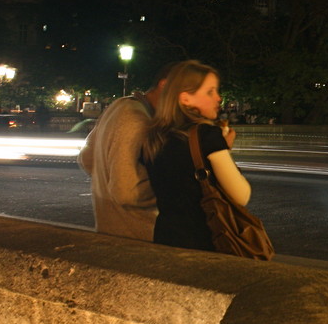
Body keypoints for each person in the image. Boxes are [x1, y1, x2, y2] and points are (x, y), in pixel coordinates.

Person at [142, 60, 251, 252]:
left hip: (165, 239)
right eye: (210, 91)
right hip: (205, 243)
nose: (218, 98)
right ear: (185, 99)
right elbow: (241, 195)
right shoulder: (207, 135)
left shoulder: (154, 136)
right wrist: (223, 148)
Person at [78, 64, 172, 240]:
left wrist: (109, 183)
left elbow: (86, 158)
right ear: (165, 85)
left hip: (110, 229)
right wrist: (169, 190)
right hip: (141, 236)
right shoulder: (137, 120)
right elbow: (127, 192)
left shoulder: (119, 105)